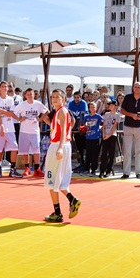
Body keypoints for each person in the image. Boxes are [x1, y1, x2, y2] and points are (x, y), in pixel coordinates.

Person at [43, 89, 80, 223]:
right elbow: (61, 127)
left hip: (59, 145)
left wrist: (59, 148)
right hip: (62, 144)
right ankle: (70, 201)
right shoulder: (59, 112)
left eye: (57, 97)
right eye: (53, 97)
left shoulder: (62, 112)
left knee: (51, 179)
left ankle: (58, 211)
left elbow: (64, 130)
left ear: (63, 100)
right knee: (59, 179)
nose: (54, 99)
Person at [15, 87, 49, 178]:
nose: (30, 96)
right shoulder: (22, 104)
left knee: (36, 150)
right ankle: (27, 168)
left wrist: (40, 119)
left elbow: (47, 111)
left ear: (34, 95)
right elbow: (13, 112)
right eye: (28, 94)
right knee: (25, 150)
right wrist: (19, 119)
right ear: (25, 95)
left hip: (34, 131)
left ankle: (37, 169)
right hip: (24, 130)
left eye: (31, 94)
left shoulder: (38, 104)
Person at [0, 80, 19, 178]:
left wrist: (0, 110)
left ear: (8, 88)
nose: (4, 88)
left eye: (6, 86)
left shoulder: (10, 99)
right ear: (0, 88)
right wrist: (1, 125)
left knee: (14, 147)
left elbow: (10, 113)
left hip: (10, 127)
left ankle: (13, 169)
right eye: (2, 86)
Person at [120, 82, 140, 179]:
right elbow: (122, 110)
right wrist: (132, 115)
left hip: (139, 126)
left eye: (138, 87)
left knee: (139, 151)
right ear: (133, 88)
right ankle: (126, 172)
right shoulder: (128, 97)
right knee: (127, 150)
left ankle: (138, 172)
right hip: (128, 126)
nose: (136, 88)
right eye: (135, 87)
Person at [98, 99, 120, 178]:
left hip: (112, 135)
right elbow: (104, 124)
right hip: (105, 135)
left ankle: (109, 170)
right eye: (110, 105)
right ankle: (102, 171)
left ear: (115, 106)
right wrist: (104, 133)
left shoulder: (117, 115)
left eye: (112, 105)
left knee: (111, 153)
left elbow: (114, 126)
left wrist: (109, 135)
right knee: (104, 154)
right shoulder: (107, 114)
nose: (111, 106)